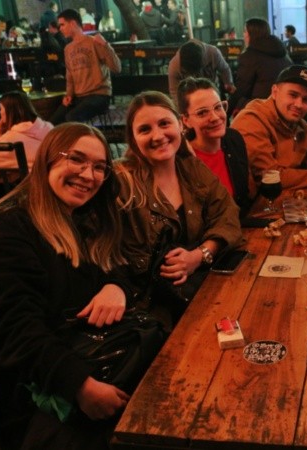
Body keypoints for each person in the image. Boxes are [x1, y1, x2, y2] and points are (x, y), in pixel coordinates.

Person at [0, 123, 131, 449]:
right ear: (48, 160)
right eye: (77, 160)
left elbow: (118, 263)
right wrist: (80, 386)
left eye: (99, 167)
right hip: (40, 403)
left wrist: (116, 286)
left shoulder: (84, 216)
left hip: (93, 364)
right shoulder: (4, 228)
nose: (89, 175)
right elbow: (14, 330)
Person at [115, 91, 242, 328]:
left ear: (179, 125)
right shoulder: (121, 180)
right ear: (133, 139)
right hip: (146, 308)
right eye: (145, 130)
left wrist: (199, 255)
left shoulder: (192, 168)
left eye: (164, 123)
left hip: (198, 294)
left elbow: (229, 214)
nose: (158, 135)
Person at [178, 77, 254, 215]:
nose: (214, 117)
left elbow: (243, 199)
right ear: (186, 120)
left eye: (218, 107)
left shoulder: (234, 139)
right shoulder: (181, 159)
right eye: (202, 112)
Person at [50, 9, 121, 125]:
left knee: (71, 117)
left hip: (99, 94)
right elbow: (70, 77)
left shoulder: (94, 42)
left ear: (73, 23)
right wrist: (68, 95)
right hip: (79, 96)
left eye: (62, 24)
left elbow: (117, 68)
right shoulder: (68, 49)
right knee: (52, 123)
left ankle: (85, 142)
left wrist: (106, 45)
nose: (60, 28)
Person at [227, 17, 291, 116]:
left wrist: (227, 111)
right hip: (283, 105)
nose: (243, 35)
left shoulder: (250, 56)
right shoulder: (283, 54)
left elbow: (242, 88)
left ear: (251, 34)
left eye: (245, 31)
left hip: (261, 108)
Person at [0, 91, 54, 172]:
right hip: (52, 178)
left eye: (1, 109)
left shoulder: (9, 140)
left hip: (30, 182)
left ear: (9, 112)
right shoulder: (49, 127)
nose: (0, 112)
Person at [167, 39, 235, 106]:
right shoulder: (174, 66)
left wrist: (228, 83)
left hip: (213, 92)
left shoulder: (213, 53)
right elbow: (174, 92)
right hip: (192, 99)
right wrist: (182, 108)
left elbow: (224, 69)